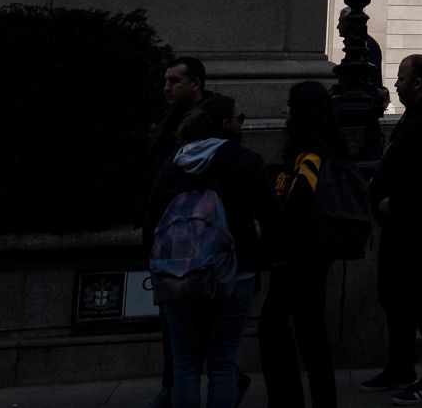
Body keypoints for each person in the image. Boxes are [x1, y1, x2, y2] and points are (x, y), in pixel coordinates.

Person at [144, 93, 275, 408]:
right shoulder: (246, 162)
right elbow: (272, 216)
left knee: (185, 363)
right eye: (238, 119)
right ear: (224, 124)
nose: (241, 124)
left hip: (178, 274)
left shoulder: (173, 164)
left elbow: (152, 220)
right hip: (234, 271)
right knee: (222, 362)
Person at [363, 54, 422, 404]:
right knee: (396, 295)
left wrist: (396, 202)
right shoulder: (419, 113)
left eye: (402, 77)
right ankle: (399, 367)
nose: (397, 83)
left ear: (418, 82)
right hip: (402, 222)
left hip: (419, 220)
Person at [261, 81, 339, 408]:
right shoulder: (318, 147)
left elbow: (299, 201)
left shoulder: (310, 153)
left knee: (279, 328)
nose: (284, 111)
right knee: (310, 334)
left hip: (299, 256)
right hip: (308, 255)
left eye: (290, 105)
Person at [144, 56, 207, 407]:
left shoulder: (205, 124)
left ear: (195, 83)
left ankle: (178, 388)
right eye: (166, 80)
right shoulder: (169, 117)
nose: (167, 87)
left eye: (174, 80)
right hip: (168, 236)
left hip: (191, 239)